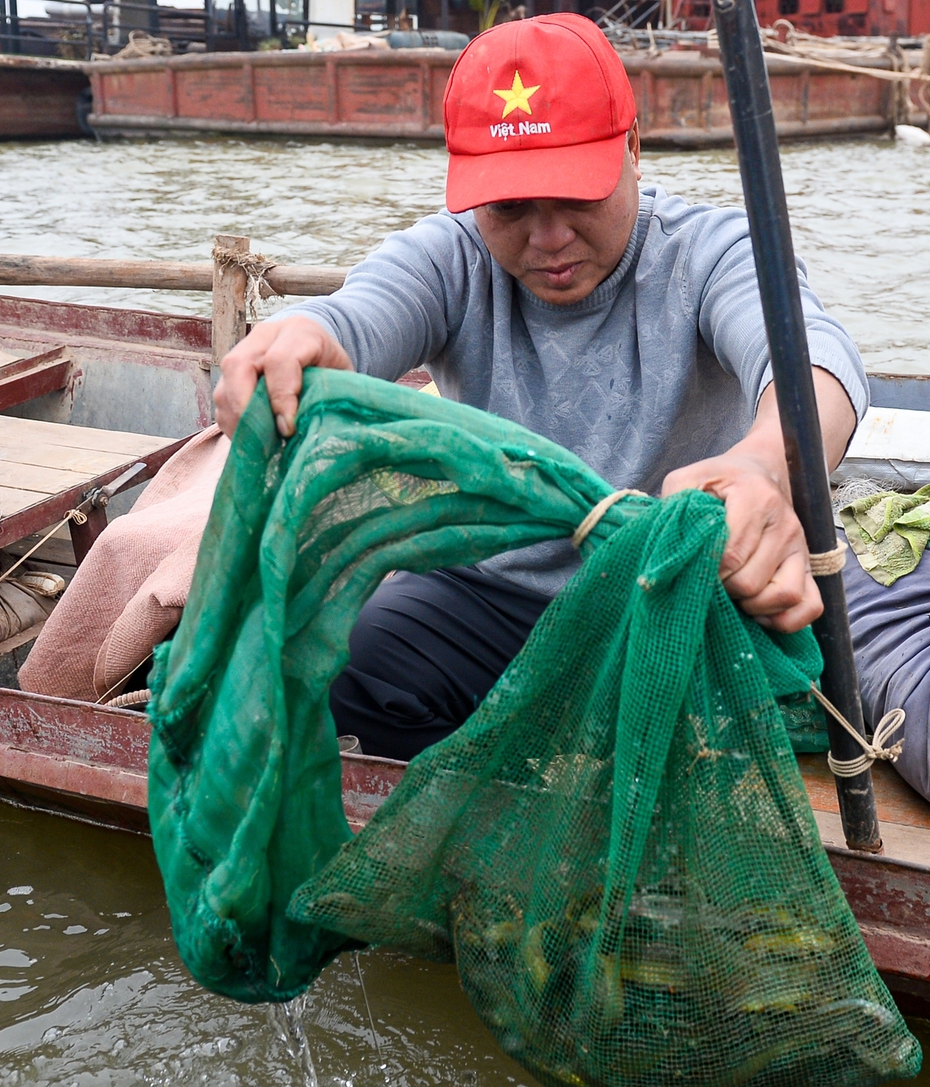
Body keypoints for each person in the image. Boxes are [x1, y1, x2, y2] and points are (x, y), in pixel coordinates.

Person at [213, 12, 868, 759]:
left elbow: (817, 363)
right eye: (511, 206)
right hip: (495, 593)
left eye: (574, 195)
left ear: (632, 151)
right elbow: (354, 323)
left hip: (672, 592)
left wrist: (764, 465)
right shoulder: (452, 258)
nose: (548, 237)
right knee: (350, 670)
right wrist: (300, 343)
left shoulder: (707, 253)